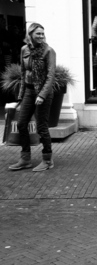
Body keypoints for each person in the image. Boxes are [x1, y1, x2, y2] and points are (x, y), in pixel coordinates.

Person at [9, 23, 56, 172]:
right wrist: (20, 97)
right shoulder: (24, 50)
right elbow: (23, 75)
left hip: (43, 92)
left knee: (42, 127)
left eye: (43, 33)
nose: (41, 36)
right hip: (29, 91)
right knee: (22, 124)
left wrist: (42, 95)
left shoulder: (48, 51)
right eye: (38, 34)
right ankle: (25, 159)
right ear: (30, 35)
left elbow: (51, 76)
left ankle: (47, 160)